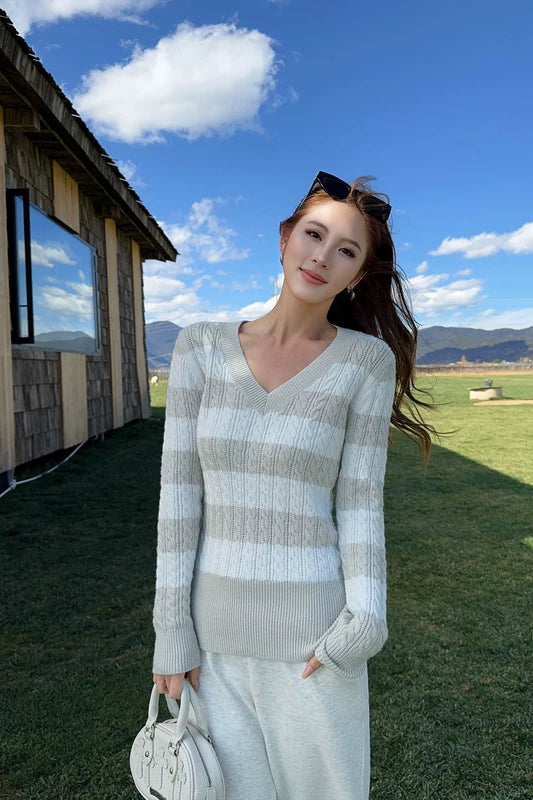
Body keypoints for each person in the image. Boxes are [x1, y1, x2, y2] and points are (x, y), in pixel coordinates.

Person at [151, 170, 433, 800]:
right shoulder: (200, 348)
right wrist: (171, 630)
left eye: (346, 250)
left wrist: (366, 622)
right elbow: (179, 500)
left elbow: (359, 504)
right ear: (284, 239)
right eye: (313, 234)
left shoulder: (366, 363)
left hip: (316, 643)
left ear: (357, 275)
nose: (322, 256)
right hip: (212, 648)